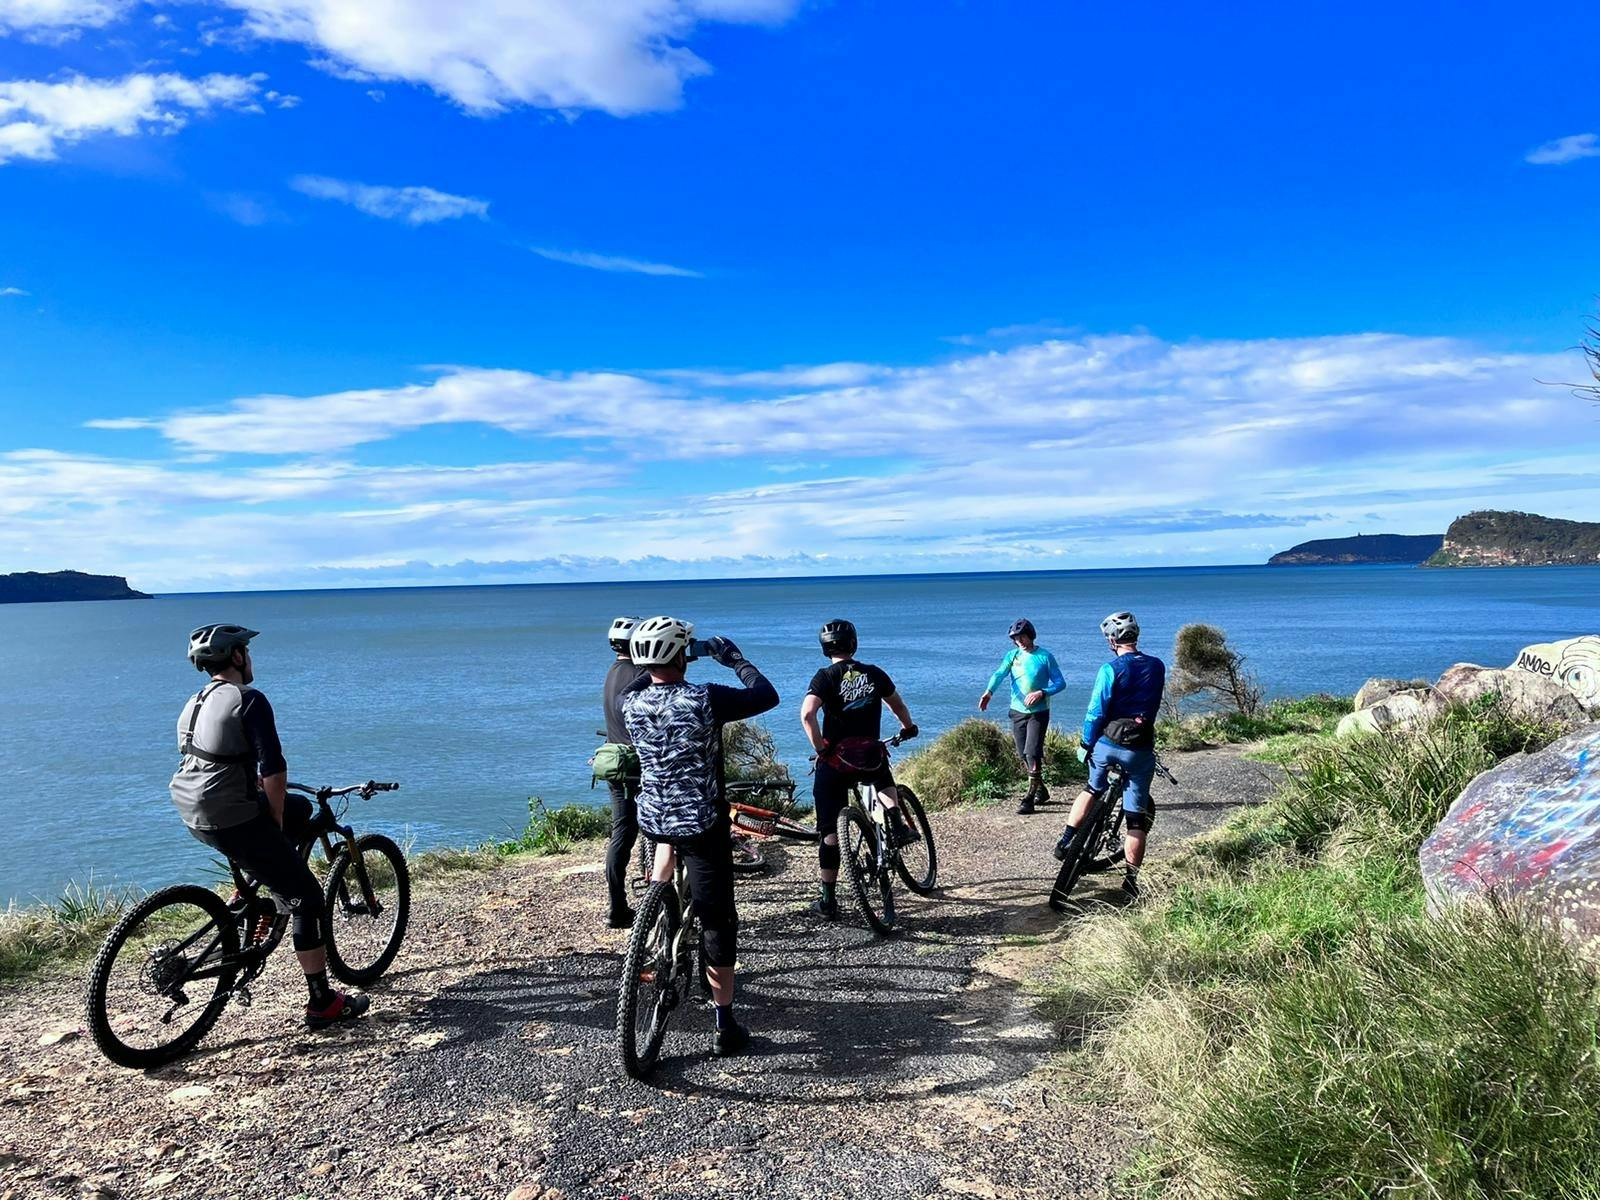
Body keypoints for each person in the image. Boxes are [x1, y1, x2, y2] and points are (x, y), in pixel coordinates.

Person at [168, 624, 369, 1029]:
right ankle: (322, 1002)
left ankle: (258, 887)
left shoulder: (195, 701)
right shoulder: (249, 699)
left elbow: (216, 758)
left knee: (297, 808)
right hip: (232, 813)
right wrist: (273, 826)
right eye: (246, 651)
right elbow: (273, 768)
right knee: (308, 898)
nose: (250, 658)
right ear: (238, 657)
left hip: (192, 808)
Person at [621, 616, 778, 1057]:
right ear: (681, 657)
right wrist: (734, 659)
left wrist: (663, 654)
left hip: (652, 816)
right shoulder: (702, 698)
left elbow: (639, 680)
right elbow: (766, 695)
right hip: (702, 821)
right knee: (718, 922)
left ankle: (657, 903)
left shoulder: (628, 704)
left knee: (665, 856)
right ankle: (725, 1024)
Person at [800, 619, 919, 920]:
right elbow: (897, 706)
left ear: (825, 648)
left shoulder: (824, 677)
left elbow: (807, 715)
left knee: (829, 832)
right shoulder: (874, 673)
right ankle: (897, 822)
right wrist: (908, 728)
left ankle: (828, 900)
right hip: (868, 756)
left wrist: (821, 748)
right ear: (853, 644)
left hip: (836, 762)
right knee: (882, 776)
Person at [1054, 611, 1166, 899]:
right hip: (1140, 750)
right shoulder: (1158, 667)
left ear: (1112, 639)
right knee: (1136, 821)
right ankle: (1131, 881)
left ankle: (1066, 841)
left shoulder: (1110, 668)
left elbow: (1096, 712)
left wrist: (1085, 744)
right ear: (1136, 636)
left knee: (1092, 788)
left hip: (1109, 744)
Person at [978, 618, 1067, 814]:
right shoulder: (1012, 656)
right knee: (1022, 754)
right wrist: (989, 692)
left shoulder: (1045, 656)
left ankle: (1029, 798)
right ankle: (1041, 790)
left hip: (1039, 713)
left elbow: (1060, 683)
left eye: (1022, 637)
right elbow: (999, 674)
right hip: (1017, 711)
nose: (1020, 641)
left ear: (1031, 635)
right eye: (1016, 638)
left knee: (1032, 752)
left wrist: (1042, 692)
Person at [601, 616, 646, 929]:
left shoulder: (612, 673)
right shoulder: (640, 673)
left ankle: (617, 907)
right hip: (640, 763)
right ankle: (664, 896)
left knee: (622, 834)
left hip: (614, 761)